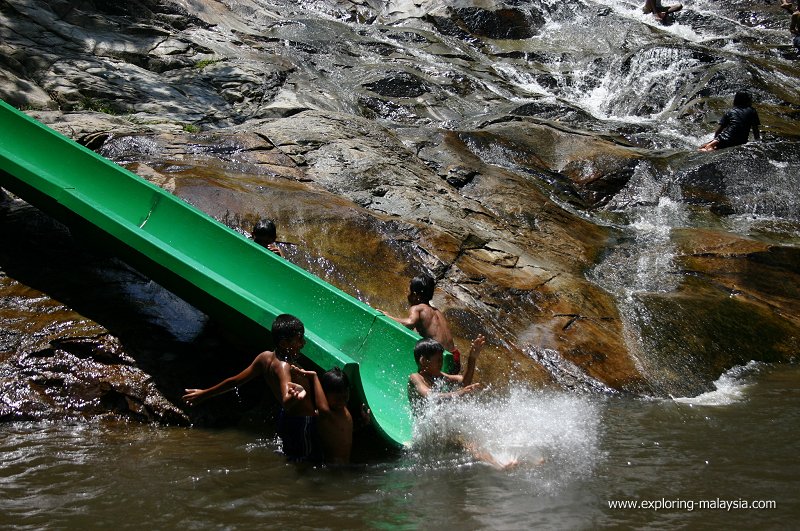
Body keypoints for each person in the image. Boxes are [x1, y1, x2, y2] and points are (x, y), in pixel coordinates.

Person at [183, 314, 320, 462]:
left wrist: (204, 393)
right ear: (284, 343)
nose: (303, 343)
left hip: (285, 419)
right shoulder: (284, 367)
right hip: (302, 422)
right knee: (306, 461)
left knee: (289, 457)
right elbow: (286, 399)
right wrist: (297, 393)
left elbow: (234, 381)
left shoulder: (264, 358)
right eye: (299, 339)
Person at [408, 335, 517, 470]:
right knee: (469, 443)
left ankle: (508, 460)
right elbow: (430, 396)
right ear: (424, 361)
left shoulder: (437, 376)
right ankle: (500, 465)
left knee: (478, 430)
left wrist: (472, 358)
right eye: (438, 360)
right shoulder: (415, 378)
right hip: (428, 432)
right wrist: (459, 393)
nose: (441, 364)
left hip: (441, 425)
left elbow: (464, 381)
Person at [382, 274, 463, 374]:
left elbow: (409, 323)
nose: (407, 295)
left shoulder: (418, 308)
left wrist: (388, 316)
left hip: (439, 358)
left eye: (409, 292)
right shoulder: (437, 312)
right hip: (454, 357)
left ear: (415, 295)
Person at [292, 366, 355, 464]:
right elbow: (323, 408)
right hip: (331, 466)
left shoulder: (343, 409)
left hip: (345, 463)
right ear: (324, 395)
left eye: (345, 397)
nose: (341, 402)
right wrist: (314, 377)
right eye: (337, 399)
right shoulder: (326, 414)